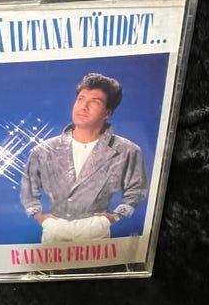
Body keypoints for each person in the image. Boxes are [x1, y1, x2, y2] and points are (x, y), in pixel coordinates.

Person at [20, 72, 149, 243]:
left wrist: (114, 217)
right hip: (55, 230)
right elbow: (28, 188)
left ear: (107, 112)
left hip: (95, 230)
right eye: (80, 99)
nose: (83, 106)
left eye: (95, 102)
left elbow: (137, 189)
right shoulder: (44, 150)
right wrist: (41, 218)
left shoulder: (127, 150)